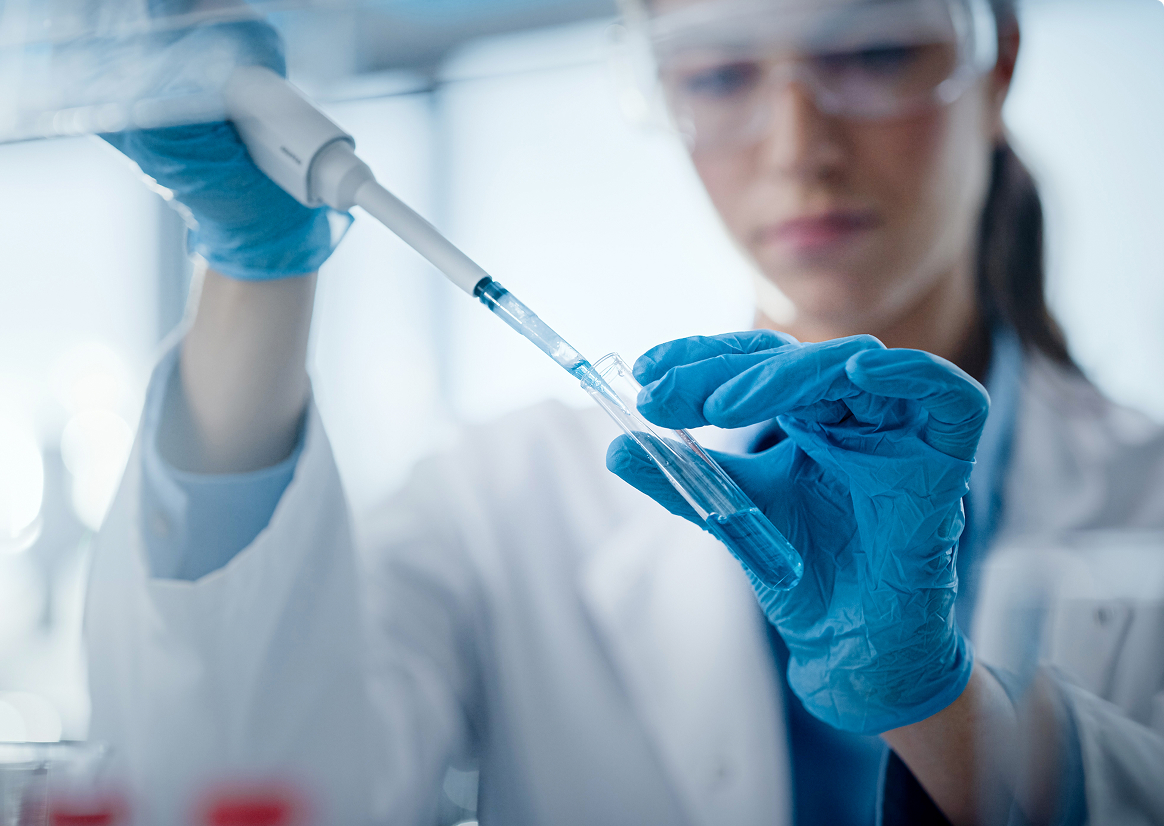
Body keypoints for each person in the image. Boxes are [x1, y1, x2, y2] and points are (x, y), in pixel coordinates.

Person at [84, 1, 1164, 824]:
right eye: (720, 73)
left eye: (872, 53)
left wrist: (945, 709)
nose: (799, 145)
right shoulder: (505, 501)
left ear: (995, 62)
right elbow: (242, 777)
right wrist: (259, 275)